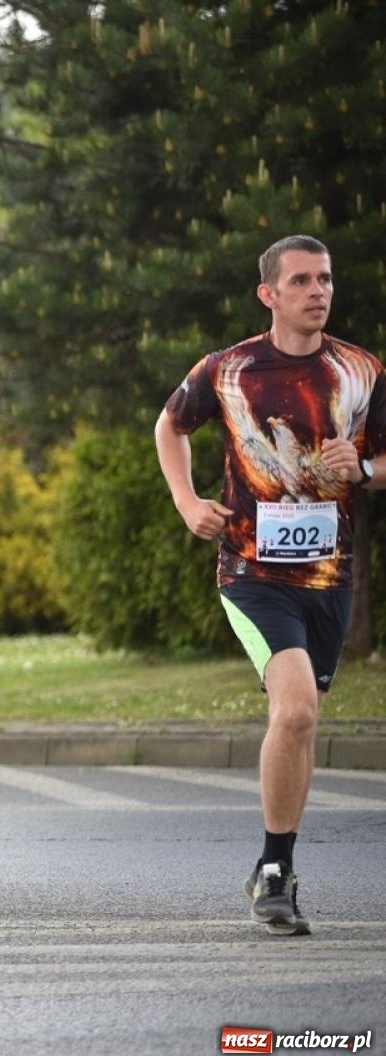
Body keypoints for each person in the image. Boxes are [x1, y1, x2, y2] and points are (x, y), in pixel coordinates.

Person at [155, 234, 386, 937]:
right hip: (253, 573)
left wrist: (366, 472)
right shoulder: (230, 371)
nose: (318, 291)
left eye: (325, 279)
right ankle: (278, 869)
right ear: (269, 294)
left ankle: (272, 867)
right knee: (292, 712)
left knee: (303, 718)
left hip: (328, 577)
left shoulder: (361, 370)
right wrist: (189, 503)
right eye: (302, 281)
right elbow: (170, 426)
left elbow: (381, 459)